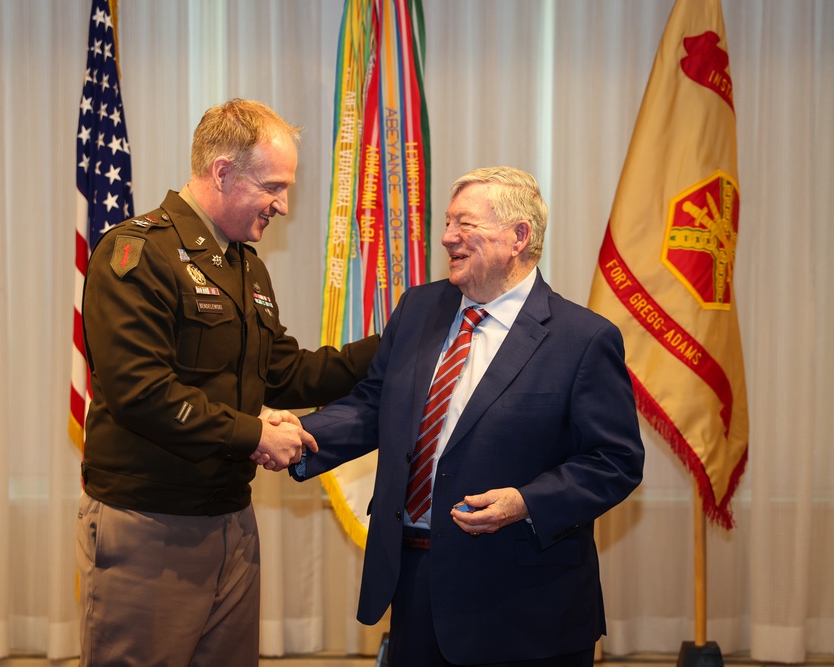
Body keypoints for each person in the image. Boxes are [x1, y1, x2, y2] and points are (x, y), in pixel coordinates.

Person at [293, 166, 645, 667]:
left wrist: (525, 501)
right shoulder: (419, 307)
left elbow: (616, 461)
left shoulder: (583, 338)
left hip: (525, 603)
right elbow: (376, 406)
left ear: (519, 236)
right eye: (447, 223)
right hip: (416, 587)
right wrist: (300, 434)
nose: (446, 237)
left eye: (465, 224)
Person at [76, 98, 379, 667]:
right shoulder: (137, 253)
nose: (283, 206)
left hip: (230, 521)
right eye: (273, 187)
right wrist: (254, 435)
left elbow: (287, 373)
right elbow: (140, 392)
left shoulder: (244, 264)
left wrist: (398, 343)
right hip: (151, 525)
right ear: (222, 172)